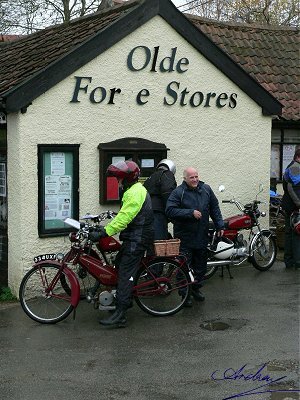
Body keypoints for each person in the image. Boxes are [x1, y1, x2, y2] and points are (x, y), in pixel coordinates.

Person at [90, 160, 154, 327]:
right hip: (134, 237)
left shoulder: (134, 193)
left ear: (127, 178)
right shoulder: (134, 190)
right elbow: (124, 214)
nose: (117, 182)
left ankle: (121, 314)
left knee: (125, 274)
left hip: (137, 239)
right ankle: (125, 300)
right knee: (119, 266)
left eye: (119, 179)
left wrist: (104, 232)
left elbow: (124, 219)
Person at [166, 167, 224, 306]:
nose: (195, 179)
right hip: (184, 237)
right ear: (185, 178)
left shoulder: (206, 190)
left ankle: (196, 289)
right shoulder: (178, 192)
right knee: (184, 267)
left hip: (201, 235)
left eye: (196, 176)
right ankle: (184, 295)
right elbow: (169, 210)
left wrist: (220, 225)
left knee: (201, 267)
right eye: (191, 177)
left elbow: (214, 208)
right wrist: (190, 213)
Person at [143, 159, 177, 240]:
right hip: (158, 212)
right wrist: (172, 213)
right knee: (159, 242)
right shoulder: (167, 174)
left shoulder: (150, 178)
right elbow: (168, 193)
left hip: (146, 212)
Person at [281, 148, 300, 269]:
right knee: (296, 233)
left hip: (289, 205)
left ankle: (289, 261)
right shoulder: (295, 167)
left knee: (289, 233)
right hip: (293, 206)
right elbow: (292, 188)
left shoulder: (292, 166)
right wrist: (298, 203)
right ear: (298, 157)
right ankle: (296, 261)